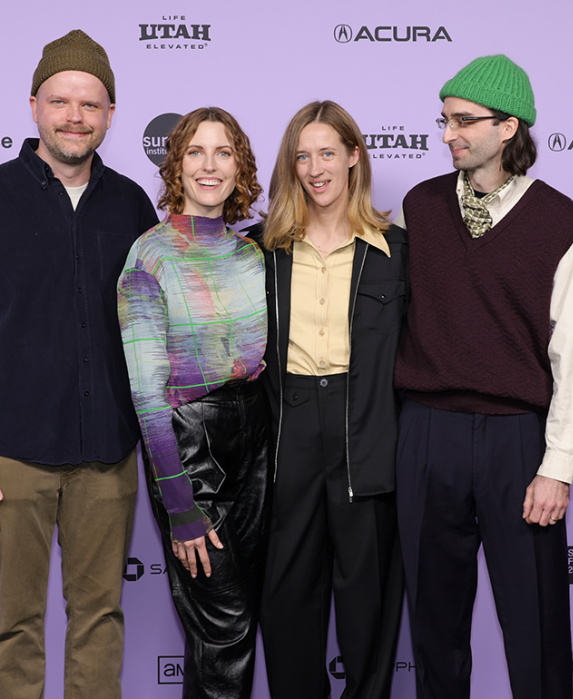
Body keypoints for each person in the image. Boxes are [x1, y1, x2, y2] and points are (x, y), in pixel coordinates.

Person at [0, 29, 158, 699]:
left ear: (111, 114)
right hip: (8, 458)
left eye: (90, 104)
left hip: (107, 454)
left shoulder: (131, 206)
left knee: (100, 619)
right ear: (34, 106)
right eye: (61, 101)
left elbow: (146, 328)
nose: (75, 117)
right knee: (15, 624)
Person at [394, 55, 573, 699]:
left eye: (463, 121)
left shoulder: (561, 221)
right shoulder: (418, 207)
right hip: (426, 435)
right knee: (434, 626)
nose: (448, 133)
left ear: (508, 128)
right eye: (444, 120)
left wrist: (557, 465)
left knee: (535, 623)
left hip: (518, 443)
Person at [246, 101, 407, 699]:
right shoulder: (260, 250)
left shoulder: (397, 250)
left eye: (328, 153)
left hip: (365, 432)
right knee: (286, 603)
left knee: (368, 606)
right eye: (302, 155)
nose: (315, 168)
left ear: (354, 157)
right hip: (285, 432)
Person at [117, 107, 269, 699]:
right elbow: (145, 393)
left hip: (256, 436)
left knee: (239, 618)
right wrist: (179, 502)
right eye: (196, 152)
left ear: (240, 167)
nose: (210, 165)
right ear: (176, 165)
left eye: (224, 152)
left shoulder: (251, 254)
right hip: (189, 445)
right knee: (223, 623)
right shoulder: (150, 256)